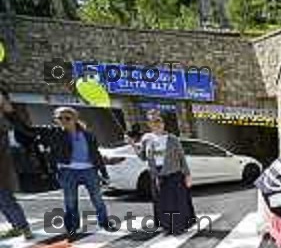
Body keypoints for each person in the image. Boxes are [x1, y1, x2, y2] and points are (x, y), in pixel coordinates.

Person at [1, 103, 112, 239]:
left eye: (67, 118)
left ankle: (104, 223)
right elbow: (27, 130)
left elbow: (95, 154)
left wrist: (104, 173)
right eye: (59, 118)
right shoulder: (53, 133)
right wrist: (11, 114)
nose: (63, 121)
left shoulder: (88, 135)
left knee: (98, 200)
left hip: (89, 171)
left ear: (75, 118)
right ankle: (72, 228)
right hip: (67, 172)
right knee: (70, 202)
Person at [128, 111, 196, 235]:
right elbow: (143, 157)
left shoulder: (172, 139)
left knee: (177, 203)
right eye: (153, 122)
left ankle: (178, 227)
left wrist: (187, 175)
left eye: (159, 121)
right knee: (162, 204)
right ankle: (167, 227)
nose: (157, 124)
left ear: (163, 123)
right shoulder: (146, 138)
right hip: (156, 176)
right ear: (149, 124)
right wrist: (133, 145)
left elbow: (182, 158)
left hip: (174, 174)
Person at [0, 88, 33, 239]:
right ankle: (18, 226)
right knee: (3, 199)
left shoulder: (5, 120)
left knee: (5, 197)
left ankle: (23, 227)